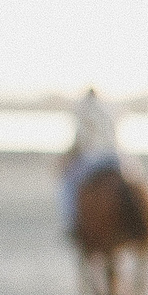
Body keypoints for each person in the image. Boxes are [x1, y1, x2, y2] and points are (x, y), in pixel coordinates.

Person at [58, 86, 130, 235]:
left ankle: (73, 223)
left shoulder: (83, 110)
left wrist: (67, 158)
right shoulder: (111, 108)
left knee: (68, 184)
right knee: (134, 181)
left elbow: (80, 141)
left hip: (93, 158)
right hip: (116, 157)